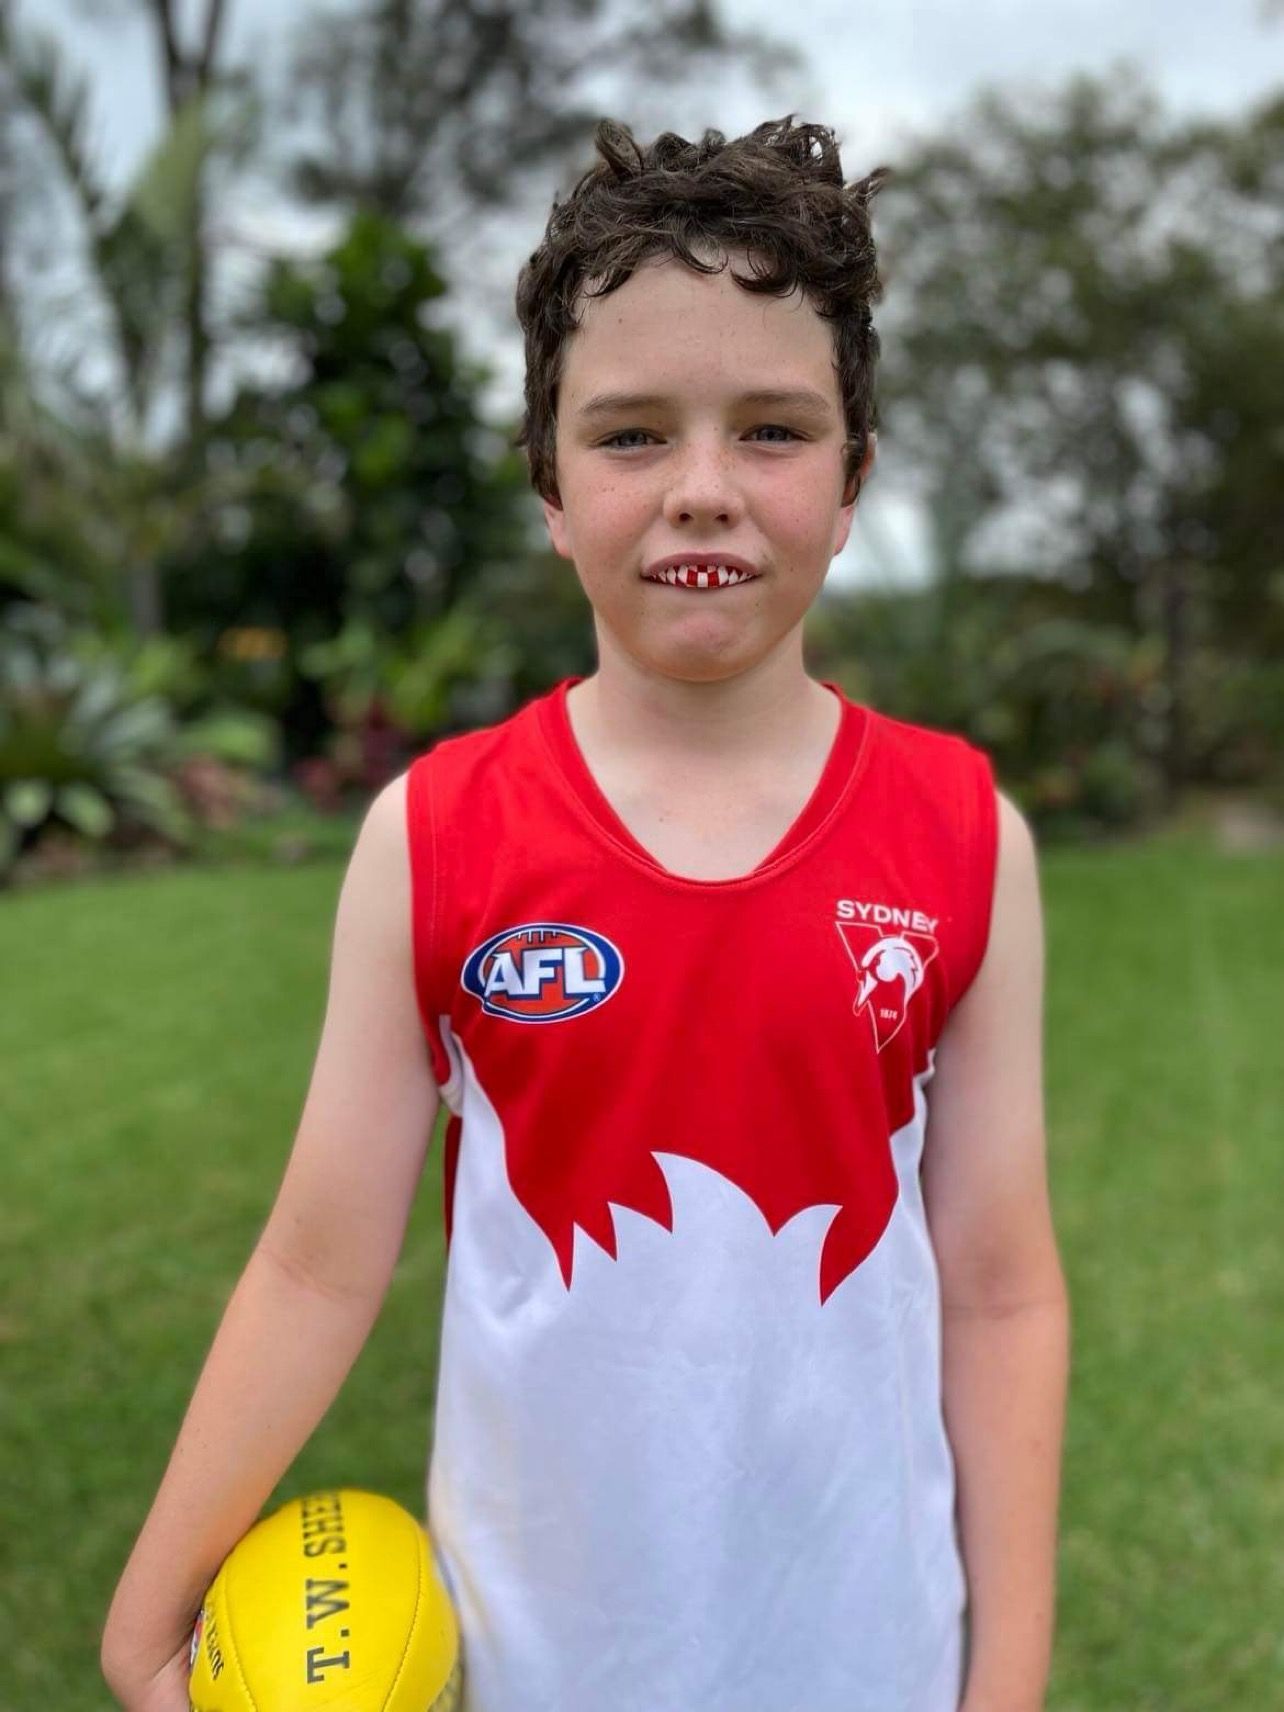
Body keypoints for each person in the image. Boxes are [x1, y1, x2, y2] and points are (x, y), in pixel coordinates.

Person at [102, 115, 1069, 1712]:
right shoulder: (438, 836)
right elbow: (318, 1265)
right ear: (551, 487)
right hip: (530, 1659)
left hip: (865, 1652)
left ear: (853, 483)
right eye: (630, 437)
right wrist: (152, 1610)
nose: (703, 491)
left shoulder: (967, 839)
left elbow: (1001, 1287)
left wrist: (1007, 1676)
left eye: (772, 430)